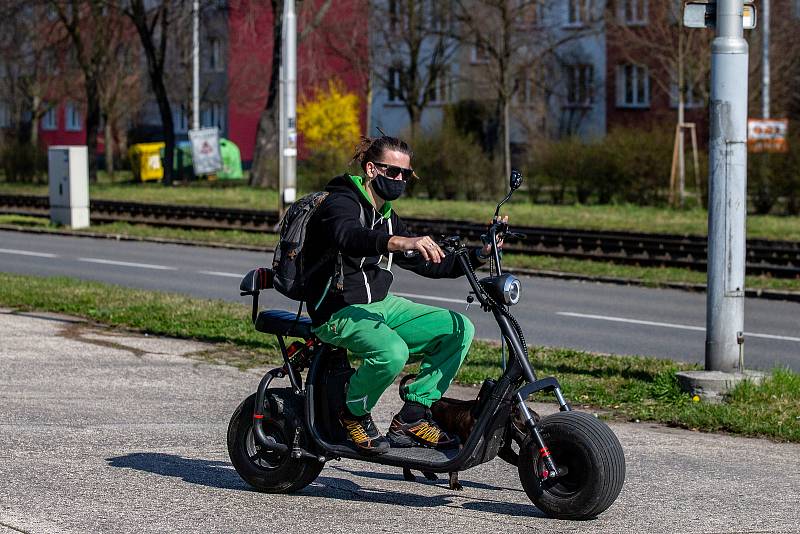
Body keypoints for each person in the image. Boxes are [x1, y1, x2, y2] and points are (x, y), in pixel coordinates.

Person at [304, 134, 504, 455]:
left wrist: (479, 254)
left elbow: (430, 263)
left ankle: (412, 416)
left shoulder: (386, 214)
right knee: (392, 352)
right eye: (393, 172)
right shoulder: (341, 201)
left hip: (380, 306)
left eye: (406, 175)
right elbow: (347, 236)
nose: (400, 180)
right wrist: (397, 242)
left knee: (457, 328)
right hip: (337, 310)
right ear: (371, 169)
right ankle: (352, 413)